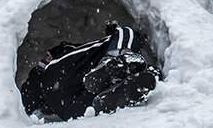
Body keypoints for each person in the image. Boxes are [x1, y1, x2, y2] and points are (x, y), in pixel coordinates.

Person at [20, 23, 160, 120]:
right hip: (60, 76)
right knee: (128, 32)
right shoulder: (66, 54)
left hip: (67, 108)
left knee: (149, 77)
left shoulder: (38, 80)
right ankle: (114, 59)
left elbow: (24, 103)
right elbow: (62, 50)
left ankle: (111, 95)